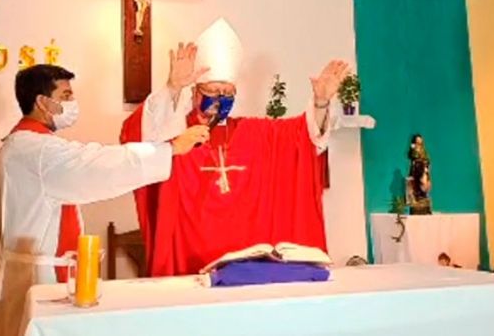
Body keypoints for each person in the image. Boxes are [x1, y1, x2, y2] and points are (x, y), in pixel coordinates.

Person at [0, 64, 209, 336]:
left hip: (31, 271)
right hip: (40, 277)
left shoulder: (23, 144)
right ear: (43, 102)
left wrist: (172, 89)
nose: (72, 102)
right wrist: (170, 148)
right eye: (66, 95)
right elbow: (96, 163)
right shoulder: (37, 150)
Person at [120, 17, 351, 276]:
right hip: (187, 264)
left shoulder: (255, 133)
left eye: (228, 93)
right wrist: (172, 87)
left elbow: (301, 139)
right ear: (195, 93)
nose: (220, 99)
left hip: (247, 272)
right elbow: (138, 137)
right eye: (212, 91)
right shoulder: (175, 134)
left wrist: (321, 102)